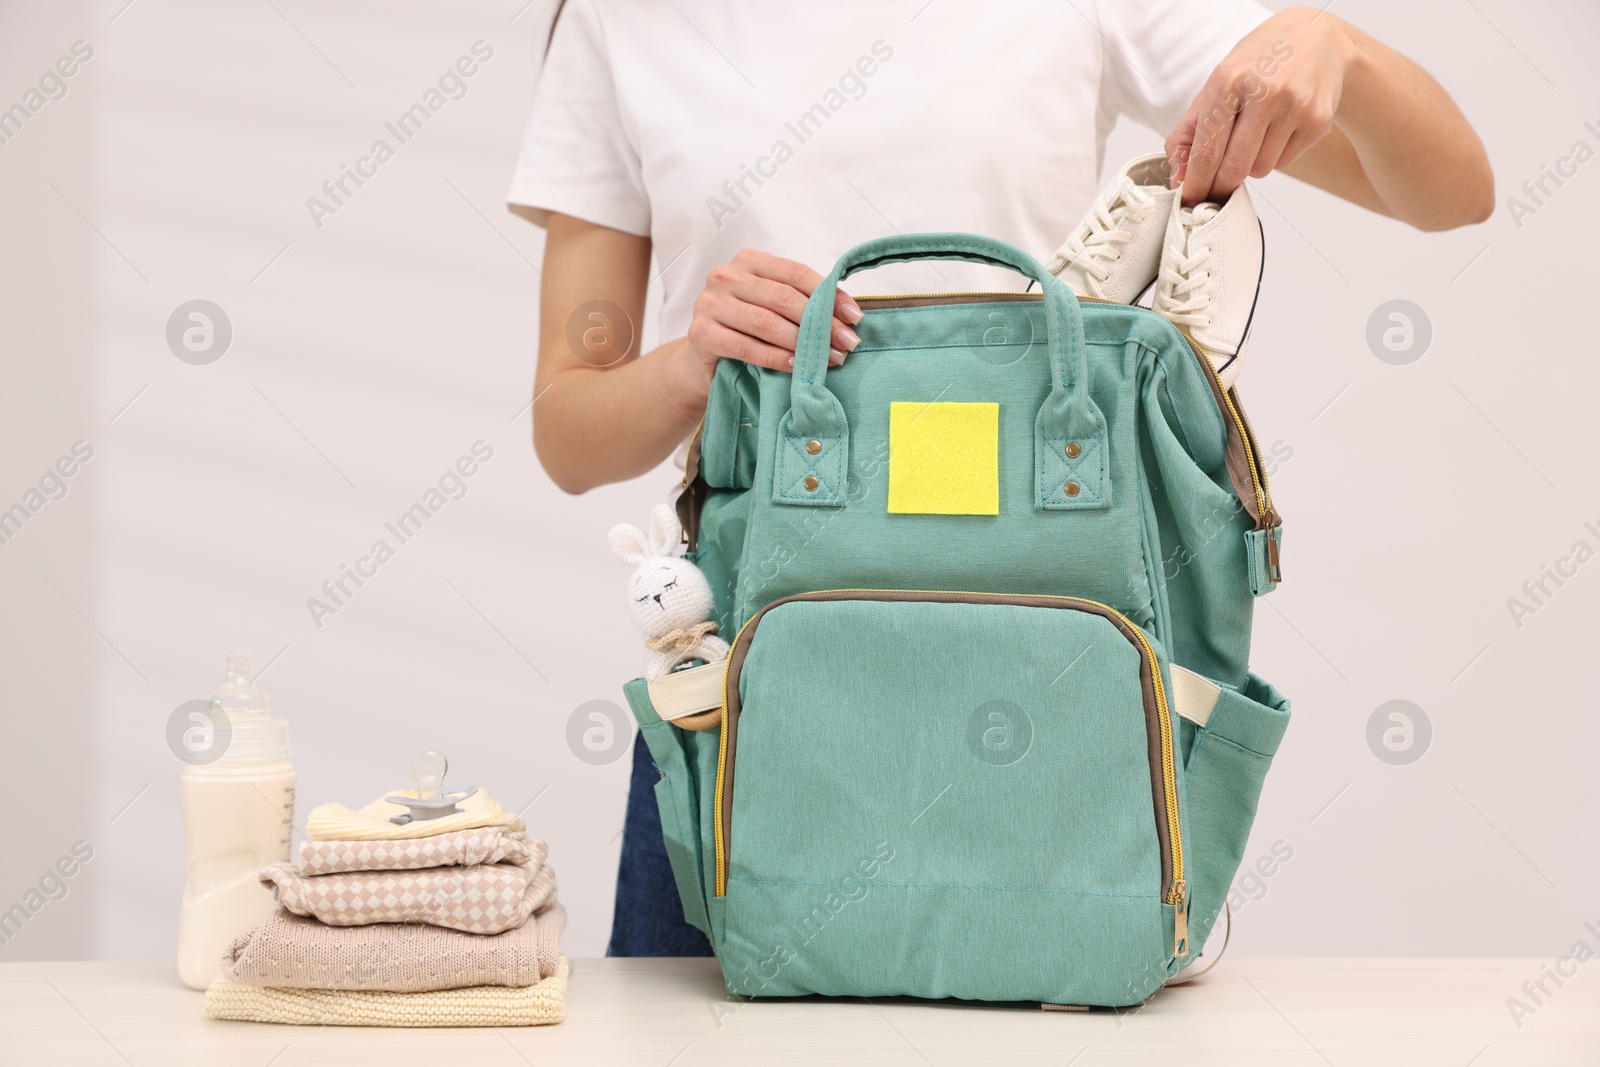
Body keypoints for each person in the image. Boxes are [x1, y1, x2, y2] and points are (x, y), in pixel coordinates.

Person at [506, 1, 1490, 956]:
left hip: (1043, 689)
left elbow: (1451, 193)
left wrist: (1337, 48)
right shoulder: (620, 19)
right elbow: (568, 428)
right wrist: (690, 363)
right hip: (752, 706)